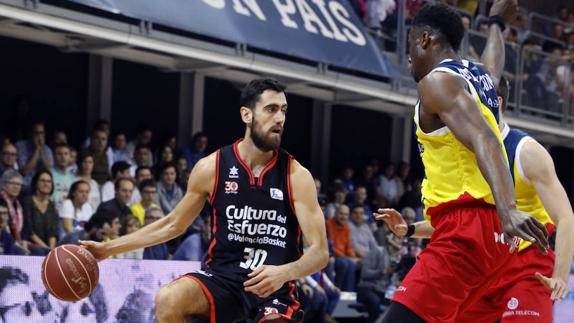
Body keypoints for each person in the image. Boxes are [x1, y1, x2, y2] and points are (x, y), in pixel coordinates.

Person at [80, 78, 329, 323]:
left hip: (273, 287)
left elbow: (320, 253)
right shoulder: (212, 167)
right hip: (223, 280)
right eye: (271, 109)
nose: (280, 118)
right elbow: (173, 224)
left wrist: (284, 272)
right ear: (247, 115)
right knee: (169, 298)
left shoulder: (297, 176)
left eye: (283, 111)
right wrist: (107, 248)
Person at [376, 2, 549, 323]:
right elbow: (494, 68)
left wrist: (508, 207)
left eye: (411, 43)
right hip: (491, 237)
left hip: (466, 229)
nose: (409, 56)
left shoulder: (436, 83)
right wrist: (496, 23)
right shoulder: (477, 76)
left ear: (425, 39)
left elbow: (486, 138)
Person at [22, 170, 59, 250]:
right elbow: (30, 231)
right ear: (36, 183)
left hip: (48, 247)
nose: (46, 184)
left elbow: (52, 233)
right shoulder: (27, 202)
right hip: (30, 244)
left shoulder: (51, 205)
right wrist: (46, 248)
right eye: (42, 181)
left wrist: (51, 248)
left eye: (49, 181)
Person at [50, 144, 76, 211]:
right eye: (59, 154)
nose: (63, 157)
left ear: (70, 157)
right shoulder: (48, 174)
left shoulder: (73, 178)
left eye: (66, 154)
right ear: (54, 156)